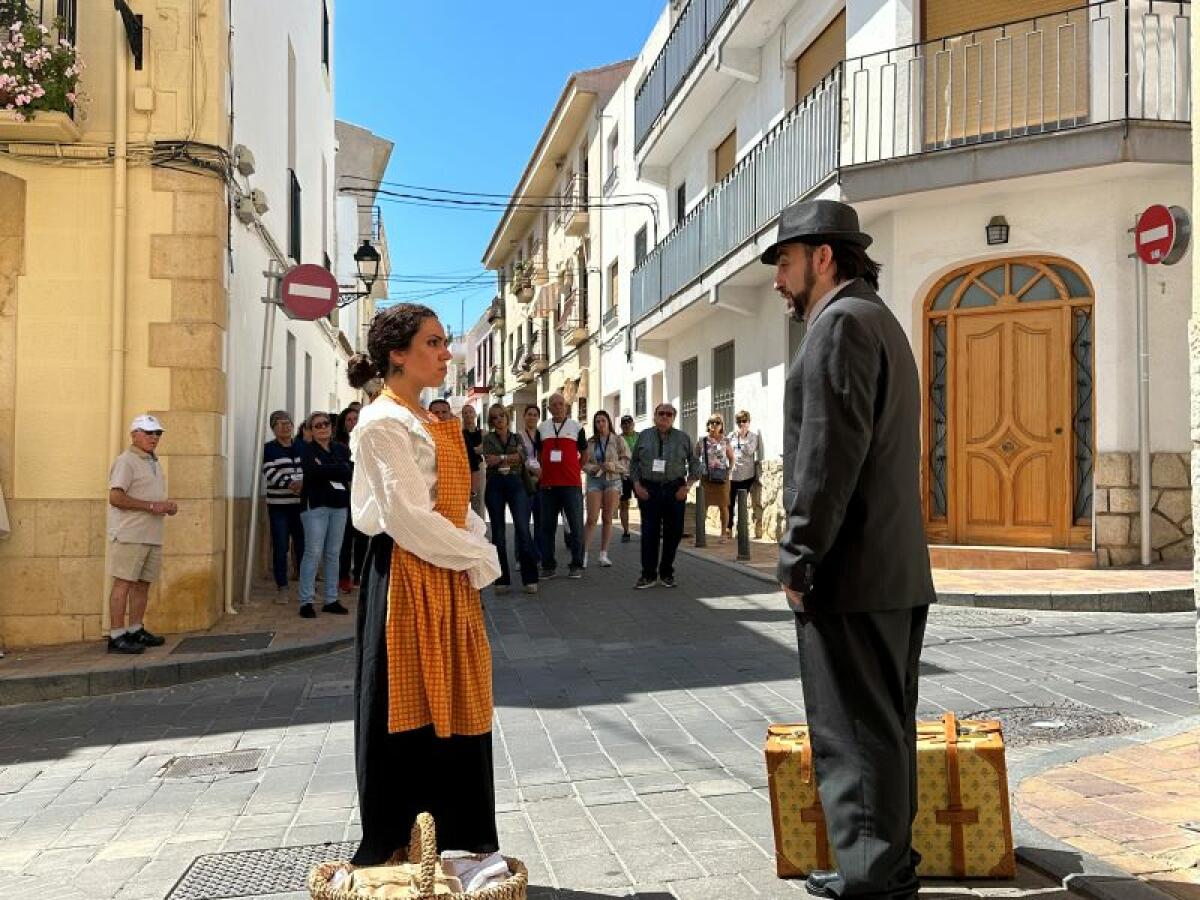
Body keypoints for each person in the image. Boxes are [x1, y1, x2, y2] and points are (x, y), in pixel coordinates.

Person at [765, 199, 934, 900]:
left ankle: (869, 876)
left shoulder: (838, 326)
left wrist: (799, 557)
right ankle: (884, 861)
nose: (778, 279)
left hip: (851, 571)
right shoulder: (881, 321)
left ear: (822, 256)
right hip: (892, 568)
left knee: (854, 730)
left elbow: (828, 459)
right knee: (885, 728)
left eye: (784, 260)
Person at [345, 303, 501, 866]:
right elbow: (408, 518)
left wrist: (474, 542)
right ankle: (399, 842)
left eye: (445, 342)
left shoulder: (427, 418)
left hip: (444, 567)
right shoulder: (383, 422)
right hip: (409, 573)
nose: (445, 352)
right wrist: (481, 557)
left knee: (456, 696)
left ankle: (452, 840)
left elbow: (451, 505)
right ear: (397, 355)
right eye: (433, 343)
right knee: (407, 706)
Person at [106, 414, 177, 654]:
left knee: (143, 585)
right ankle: (116, 634)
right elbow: (115, 496)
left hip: (151, 533)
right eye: (148, 433)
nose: (154, 437)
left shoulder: (153, 461)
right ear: (134, 434)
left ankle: (135, 628)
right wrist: (151, 506)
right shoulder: (126, 461)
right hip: (131, 533)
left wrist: (164, 505)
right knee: (123, 583)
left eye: (158, 433)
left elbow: (149, 496)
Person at [629, 404, 698, 589]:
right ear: (654, 416)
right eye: (661, 413)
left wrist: (687, 487)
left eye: (669, 414)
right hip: (649, 490)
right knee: (649, 533)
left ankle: (666, 572)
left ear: (674, 417)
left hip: (674, 490)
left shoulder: (683, 438)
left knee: (673, 534)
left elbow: (695, 464)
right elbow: (634, 463)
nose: (665, 417)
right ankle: (648, 575)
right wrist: (637, 486)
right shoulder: (644, 436)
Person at [297, 411, 352, 618]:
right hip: (316, 506)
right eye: (317, 425)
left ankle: (331, 599)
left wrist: (328, 468)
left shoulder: (341, 448)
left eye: (325, 424)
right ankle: (306, 601)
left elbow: (348, 471)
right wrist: (335, 468)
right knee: (313, 552)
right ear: (310, 431)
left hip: (339, 505)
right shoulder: (307, 450)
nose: (323, 428)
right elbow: (313, 472)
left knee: (333, 553)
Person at [480, 403, 538, 593]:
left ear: (507, 418)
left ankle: (530, 579)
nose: (499, 420)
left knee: (523, 530)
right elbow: (490, 459)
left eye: (501, 416)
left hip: (516, 484)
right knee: (498, 534)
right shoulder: (488, 438)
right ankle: (501, 580)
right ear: (491, 421)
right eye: (495, 417)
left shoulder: (517, 436)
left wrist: (502, 458)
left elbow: (521, 457)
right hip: (495, 485)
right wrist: (509, 457)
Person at [536, 392, 587, 579]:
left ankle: (576, 565)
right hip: (548, 485)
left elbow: (585, 453)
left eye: (561, 404)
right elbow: (539, 455)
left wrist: (575, 470)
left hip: (571, 485)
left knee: (576, 526)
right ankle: (548, 566)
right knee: (547, 528)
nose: (558, 407)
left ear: (566, 407)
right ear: (548, 408)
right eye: (554, 404)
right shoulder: (542, 428)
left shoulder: (577, 427)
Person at [263, 410, 305, 600]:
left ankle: (305, 586)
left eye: (288, 422)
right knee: (281, 546)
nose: (285, 426)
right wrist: (290, 484)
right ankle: (282, 587)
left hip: (300, 505)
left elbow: (308, 467)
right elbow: (270, 472)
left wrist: (303, 485)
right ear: (273, 428)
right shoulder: (269, 449)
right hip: (279, 506)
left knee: (303, 545)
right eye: (280, 423)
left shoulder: (301, 446)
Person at [581, 410, 629, 567]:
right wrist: (592, 468)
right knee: (591, 518)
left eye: (603, 421)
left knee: (608, 518)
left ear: (608, 422)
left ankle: (603, 555)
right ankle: (583, 555)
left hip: (612, 481)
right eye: (597, 422)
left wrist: (613, 466)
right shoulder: (590, 442)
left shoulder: (618, 440)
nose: (600, 424)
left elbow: (627, 462)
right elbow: (583, 463)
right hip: (595, 481)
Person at [336, 405, 369, 594]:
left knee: (363, 538)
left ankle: (359, 574)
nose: (352, 423)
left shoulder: (369, 442)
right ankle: (344, 576)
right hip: (344, 497)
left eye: (355, 419)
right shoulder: (338, 445)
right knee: (345, 540)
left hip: (364, 496)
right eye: (348, 420)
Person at [696, 413, 735, 542]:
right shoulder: (702, 440)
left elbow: (731, 458)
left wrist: (728, 471)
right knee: (703, 505)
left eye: (717, 422)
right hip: (706, 477)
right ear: (708, 425)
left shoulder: (725, 440)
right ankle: (701, 533)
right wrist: (697, 470)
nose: (714, 425)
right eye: (711, 422)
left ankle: (723, 534)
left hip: (721, 478)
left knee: (723, 505)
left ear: (721, 426)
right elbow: (695, 457)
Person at [728, 410, 764, 540]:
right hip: (733, 474)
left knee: (742, 502)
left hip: (746, 475)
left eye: (744, 421)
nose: (742, 424)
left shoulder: (753, 437)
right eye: (739, 422)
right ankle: (728, 528)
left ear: (749, 422)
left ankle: (741, 529)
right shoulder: (732, 435)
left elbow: (749, 451)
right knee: (730, 503)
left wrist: (743, 438)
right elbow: (726, 449)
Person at [517, 404, 543, 565]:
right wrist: (534, 473)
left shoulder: (542, 435)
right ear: (524, 416)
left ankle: (538, 555)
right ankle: (521, 557)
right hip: (524, 482)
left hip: (541, 482)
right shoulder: (518, 436)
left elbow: (545, 456)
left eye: (535, 415)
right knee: (522, 522)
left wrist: (541, 474)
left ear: (538, 418)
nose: (532, 417)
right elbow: (521, 457)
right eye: (529, 414)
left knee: (540, 522)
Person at [461, 405, 486, 523]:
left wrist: (470, 450)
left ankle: (480, 529)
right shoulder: (459, 433)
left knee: (479, 499)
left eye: (470, 412)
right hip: (463, 466)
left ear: (475, 414)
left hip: (479, 466)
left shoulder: (482, 432)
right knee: (462, 498)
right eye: (465, 412)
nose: (468, 414)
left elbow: (483, 449)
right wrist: (475, 449)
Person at [617, 415, 638, 543]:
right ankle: (626, 532)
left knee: (645, 504)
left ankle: (647, 530)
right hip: (623, 476)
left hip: (639, 475)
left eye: (629, 423)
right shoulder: (617, 439)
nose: (626, 425)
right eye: (624, 423)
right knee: (624, 504)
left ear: (633, 424)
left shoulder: (640, 437)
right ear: (621, 426)